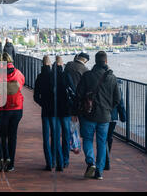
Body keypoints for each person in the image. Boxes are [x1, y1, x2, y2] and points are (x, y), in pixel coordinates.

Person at [76, 51, 121, 180]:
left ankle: (91, 162)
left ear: (95, 61)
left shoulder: (87, 75)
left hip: (88, 115)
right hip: (104, 117)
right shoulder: (112, 78)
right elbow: (117, 99)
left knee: (88, 139)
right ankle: (99, 172)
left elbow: (79, 94)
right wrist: (108, 108)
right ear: (105, 62)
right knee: (102, 143)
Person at [0, 52, 25, 172]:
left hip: (2, 108)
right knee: (13, 135)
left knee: (1, 134)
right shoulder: (18, 73)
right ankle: (11, 163)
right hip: (16, 108)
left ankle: (3, 156)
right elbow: (21, 85)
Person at [34, 56, 62, 171]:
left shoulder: (40, 77)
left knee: (46, 137)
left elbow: (36, 96)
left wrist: (42, 104)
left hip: (45, 110)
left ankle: (49, 163)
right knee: (55, 137)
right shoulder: (54, 76)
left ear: (42, 64)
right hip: (54, 111)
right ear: (50, 64)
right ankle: (59, 163)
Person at [52, 56, 71, 170]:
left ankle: (55, 159)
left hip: (54, 111)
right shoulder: (65, 76)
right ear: (62, 65)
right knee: (66, 135)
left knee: (55, 135)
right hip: (65, 110)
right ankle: (65, 159)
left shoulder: (51, 76)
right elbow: (72, 91)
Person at [105, 79, 126, 170]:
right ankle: (107, 158)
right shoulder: (117, 87)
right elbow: (120, 103)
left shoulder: (101, 85)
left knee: (102, 138)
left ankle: (105, 159)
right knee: (109, 137)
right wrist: (123, 117)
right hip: (113, 117)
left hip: (102, 116)